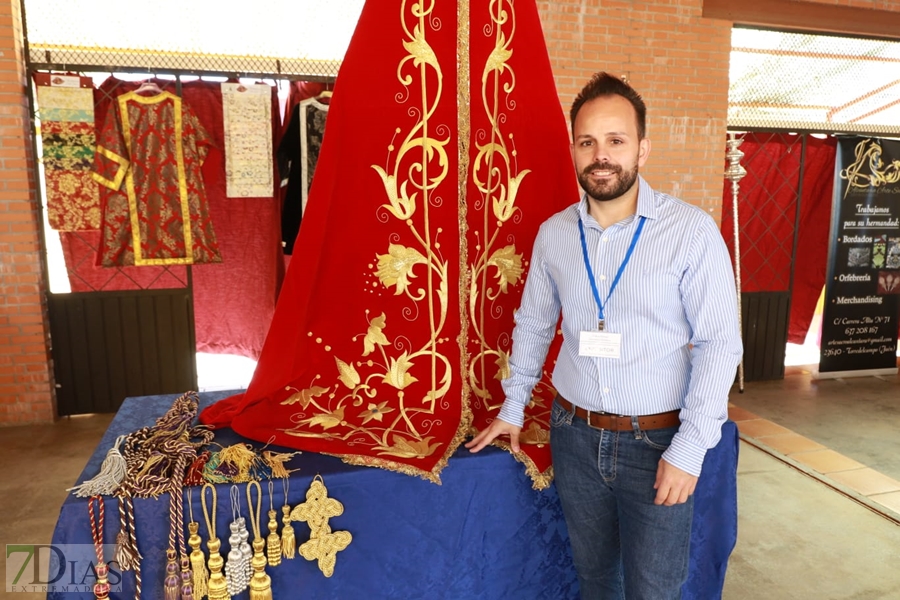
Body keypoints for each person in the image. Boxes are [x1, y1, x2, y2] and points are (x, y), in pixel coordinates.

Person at [465, 72, 743, 599]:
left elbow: (718, 344)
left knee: (654, 589)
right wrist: (513, 407)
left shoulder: (690, 231)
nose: (601, 155)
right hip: (575, 435)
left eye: (616, 140)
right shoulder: (555, 235)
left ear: (642, 147)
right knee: (595, 582)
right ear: (573, 149)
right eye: (587, 141)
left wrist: (688, 450)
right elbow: (534, 323)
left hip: (658, 441)